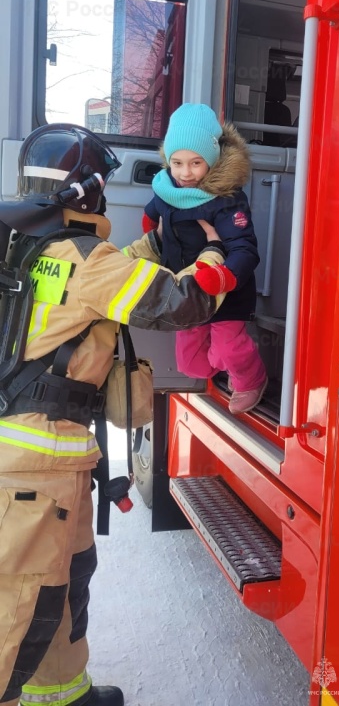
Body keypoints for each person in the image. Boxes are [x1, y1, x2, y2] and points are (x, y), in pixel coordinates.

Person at [0, 124, 226, 706]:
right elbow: (180, 301)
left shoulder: (25, 247)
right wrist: (215, 251)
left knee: (63, 587)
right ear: (88, 192)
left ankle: (62, 695)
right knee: (18, 603)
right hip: (37, 463)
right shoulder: (86, 261)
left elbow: (80, 294)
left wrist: (145, 250)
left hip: (41, 458)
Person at [141, 103, 267, 414]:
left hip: (226, 290)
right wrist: (150, 226)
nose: (186, 173)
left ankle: (251, 377)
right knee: (191, 365)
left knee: (228, 345)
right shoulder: (165, 189)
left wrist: (226, 276)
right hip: (187, 292)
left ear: (210, 160)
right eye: (177, 162)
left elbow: (245, 248)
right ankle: (229, 361)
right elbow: (155, 210)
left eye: (196, 163)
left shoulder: (225, 198)